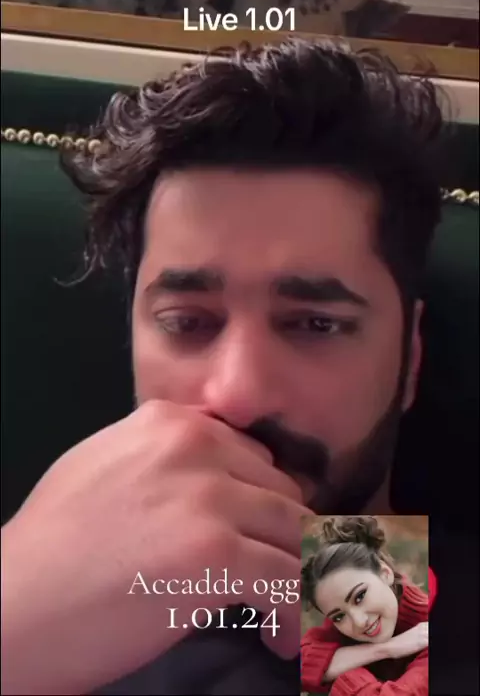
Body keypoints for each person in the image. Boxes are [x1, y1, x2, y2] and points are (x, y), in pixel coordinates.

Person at [0, 37, 454, 695]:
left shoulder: (389, 617)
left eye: (315, 323)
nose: (238, 394)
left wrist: (352, 587)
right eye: (188, 322)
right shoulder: (25, 580)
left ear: (410, 359)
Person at [301, 516, 429, 695]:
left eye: (360, 597)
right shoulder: (343, 629)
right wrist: (385, 649)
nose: (359, 622)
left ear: (385, 573)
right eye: (339, 616)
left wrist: (342, 673)